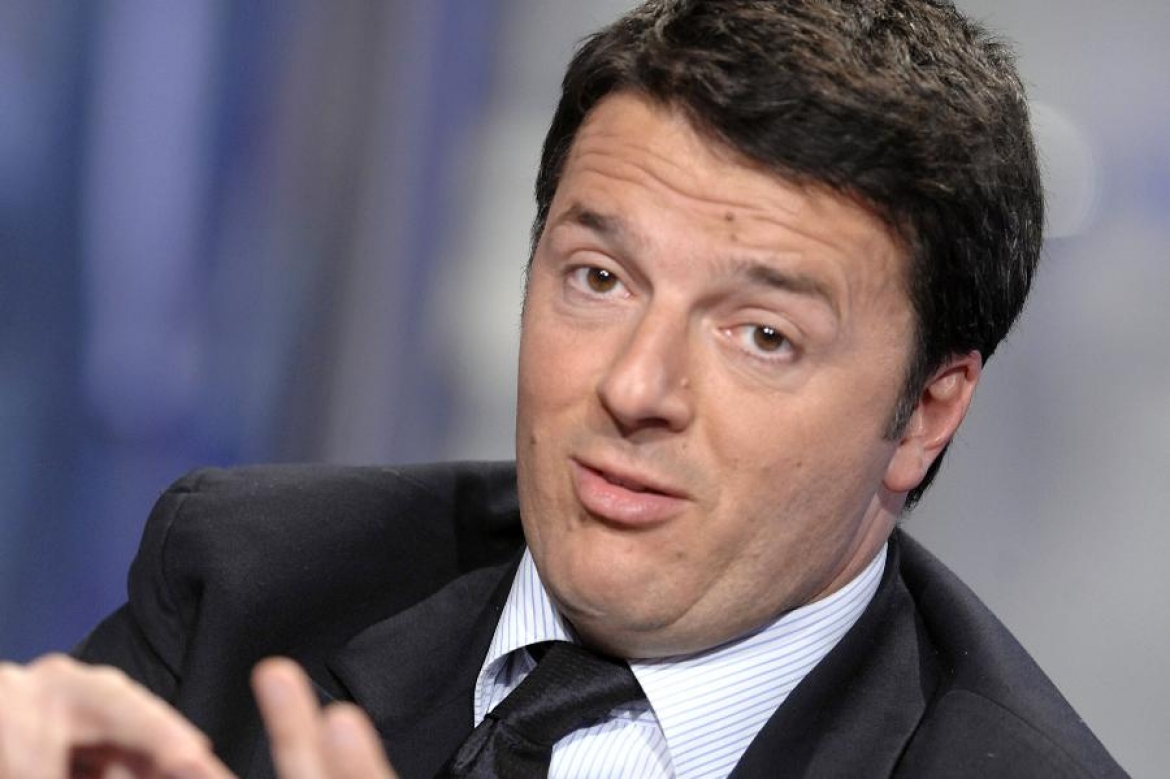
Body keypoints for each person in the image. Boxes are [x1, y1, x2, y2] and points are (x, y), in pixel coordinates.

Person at [0, 1, 1126, 777]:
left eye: (762, 335)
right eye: (599, 277)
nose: (636, 385)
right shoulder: (248, 580)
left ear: (927, 411)